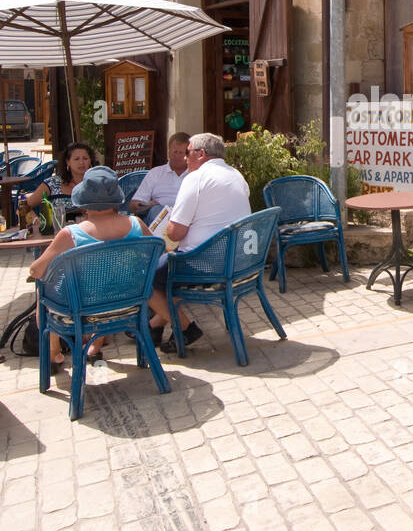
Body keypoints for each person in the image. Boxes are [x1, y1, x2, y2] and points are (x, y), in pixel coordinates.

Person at [28, 166, 145, 372]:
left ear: (84, 201)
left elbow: (36, 271)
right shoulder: (136, 224)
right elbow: (158, 251)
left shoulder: (71, 234)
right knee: (105, 281)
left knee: (43, 291)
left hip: (83, 308)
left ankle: (54, 353)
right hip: (129, 302)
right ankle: (94, 345)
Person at [147, 132, 249, 349]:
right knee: (166, 273)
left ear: (201, 154)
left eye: (187, 152)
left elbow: (174, 233)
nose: (184, 158)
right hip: (239, 259)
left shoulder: (195, 178)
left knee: (146, 277)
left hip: (205, 263)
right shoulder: (236, 175)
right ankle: (155, 325)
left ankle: (185, 328)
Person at [128, 131, 190, 224]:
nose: (177, 156)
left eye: (181, 153)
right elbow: (133, 205)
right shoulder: (155, 173)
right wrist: (146, 205)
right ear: (168, 151)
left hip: (186, 217)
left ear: (188, 154)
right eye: (174, 152)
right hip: (158, 218)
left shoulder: (196, 174)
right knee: (156, 211)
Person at [26, 141, 94, 222]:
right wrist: (37, 221)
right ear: (68, 162)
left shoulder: (97, 183)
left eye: (85, 158)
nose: (81, 162)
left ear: (90, 161)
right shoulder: (53, 183)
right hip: (58, 231)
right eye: (76, 159)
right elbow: (26, 206)